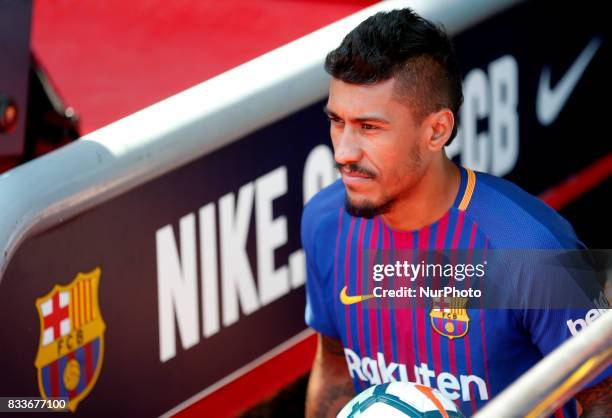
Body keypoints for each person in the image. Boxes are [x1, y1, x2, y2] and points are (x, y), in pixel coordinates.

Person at [302, 8, 610, 418]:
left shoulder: (532, 246)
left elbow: (602, 397)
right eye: (337, 121)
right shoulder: (325, 222)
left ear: (437, 130)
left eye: (370, 127)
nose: (343, 151)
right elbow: (336, 365)